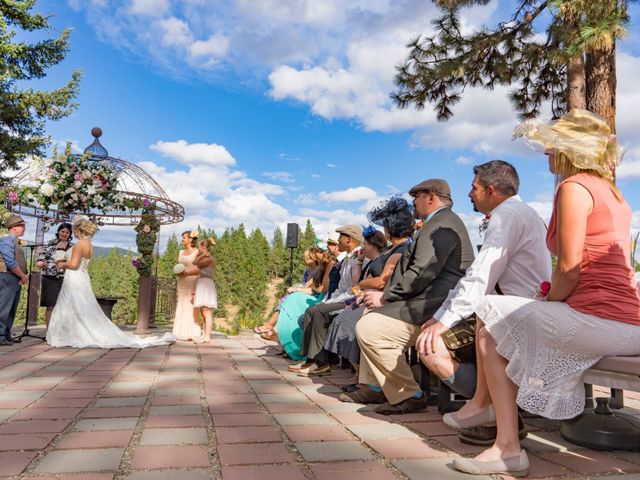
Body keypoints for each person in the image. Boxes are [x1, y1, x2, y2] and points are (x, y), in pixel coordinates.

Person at [452, 109, 640, 477]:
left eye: (552, 145)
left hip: (602, 320)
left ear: (570, 149)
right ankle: (487, 413)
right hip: (627, 322)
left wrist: (550, 300)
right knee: (504, 316)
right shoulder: (614, 194)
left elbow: (569, 267)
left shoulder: (574, 188)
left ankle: (505, 443)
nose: (545, 154)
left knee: (491, 315)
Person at [416, 161, 550, 447]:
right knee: (469, 322)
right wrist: (442, 316)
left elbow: (480, 277)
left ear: (491, 190)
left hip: (516, 317)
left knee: (430, 346)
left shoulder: (508, 215)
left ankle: (498, 412)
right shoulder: (523, 213)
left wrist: (441, 322)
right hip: (518, 311)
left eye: (474, 187)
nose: (469, 193)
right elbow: (478, 279)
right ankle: (491, 408)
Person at [340, 179, 474, 415]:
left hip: (437, 308)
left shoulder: (442, 224)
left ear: (430, 197)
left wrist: (386, 296)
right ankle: (374, 386)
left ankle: (410, 394)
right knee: (369, 314)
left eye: (416, 198)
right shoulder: (439, 223)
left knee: (371, 327)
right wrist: (383, 296)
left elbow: (422, 271)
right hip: (428, 302)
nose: (413, 204)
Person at [325, 197, 414, 391]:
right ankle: (361, 377)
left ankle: (368, 381)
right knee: (345, 318)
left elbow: (383, 280)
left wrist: (364, 284)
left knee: (351, 322)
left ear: (390, 230)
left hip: (388, 302)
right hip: (371, 298)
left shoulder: (402, 250)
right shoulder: (391, 250)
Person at [46, 217, 175, 348]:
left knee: (72, 304)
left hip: (74, 278)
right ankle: (76, 332)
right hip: (83, 278)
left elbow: (73, 264)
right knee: (82, 305)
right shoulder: (89, 245)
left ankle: (72, 334)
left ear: (78, 230)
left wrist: (61, 264)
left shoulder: (79, 245)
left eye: (74, 230)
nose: (73, 233)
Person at [291, 224, 362, 376]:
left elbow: (353, 290)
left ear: (348, 239)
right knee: (311, 310)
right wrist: (329, 300)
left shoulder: (359, 258)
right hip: (342, 297)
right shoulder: (348, 259)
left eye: (340, 237)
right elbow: (341, 288)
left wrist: (330, 302)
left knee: (319, 312)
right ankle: (311, 359)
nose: (338, 241)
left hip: (350, 301)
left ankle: (322, 363)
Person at [275, 247, 333, 361]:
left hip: (321, 297)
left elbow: (322, 289)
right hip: (316, 295)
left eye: (312, 257)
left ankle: (281, 334)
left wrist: (308, 288)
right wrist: (302, 289)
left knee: (295, 299)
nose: (306, 260)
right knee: (291, 298)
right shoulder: (320, 269)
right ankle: (283, 336)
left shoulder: (329, 266)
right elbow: (308, 285)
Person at [36, 223, 74, 327]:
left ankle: (61, 331)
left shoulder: (72, 247)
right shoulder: (49, 244)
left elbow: (74, 263)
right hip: (49, 278)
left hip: (66, 279)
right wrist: (41, 263)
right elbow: (40, 258)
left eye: (67, 232)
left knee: (65, 306)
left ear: (70, 234)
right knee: (50, 306)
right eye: (62, 231)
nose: (64, 234)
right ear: (58, 232)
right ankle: (49, 332)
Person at [0, 215, 28, 346]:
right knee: (4, 307)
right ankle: (0, 336)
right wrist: (23, 275)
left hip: (13, 278)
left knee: (11, 308)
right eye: (22, 226)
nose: (24, 229)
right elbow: (9, 261)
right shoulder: (6, 240)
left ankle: (5, 334)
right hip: (8, 277)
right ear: (14, 227)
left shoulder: (14, 240)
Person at [172, 230, 201, 341]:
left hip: (192, 281)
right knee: (181, 303)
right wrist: (179, 273)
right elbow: (179, 265)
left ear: (190, 239)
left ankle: (192, 332)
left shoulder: (196, 252)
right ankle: (179, 332)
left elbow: (199, 269)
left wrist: (186, 273)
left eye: (184, 237)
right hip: (181, 282)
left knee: (191, 305)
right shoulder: (180, 252)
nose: (182, 239)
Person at [192, 238, 217, 344]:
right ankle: (204, 334)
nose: (198, 248)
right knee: (203, 312)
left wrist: (204, 254)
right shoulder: (205, 257)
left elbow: (195, 262)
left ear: (204, 247)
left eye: (199, 246)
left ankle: (207, 337)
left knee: (207, 312)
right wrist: (202, 254)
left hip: (206, 285)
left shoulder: (209, 258)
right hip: (202, 283)